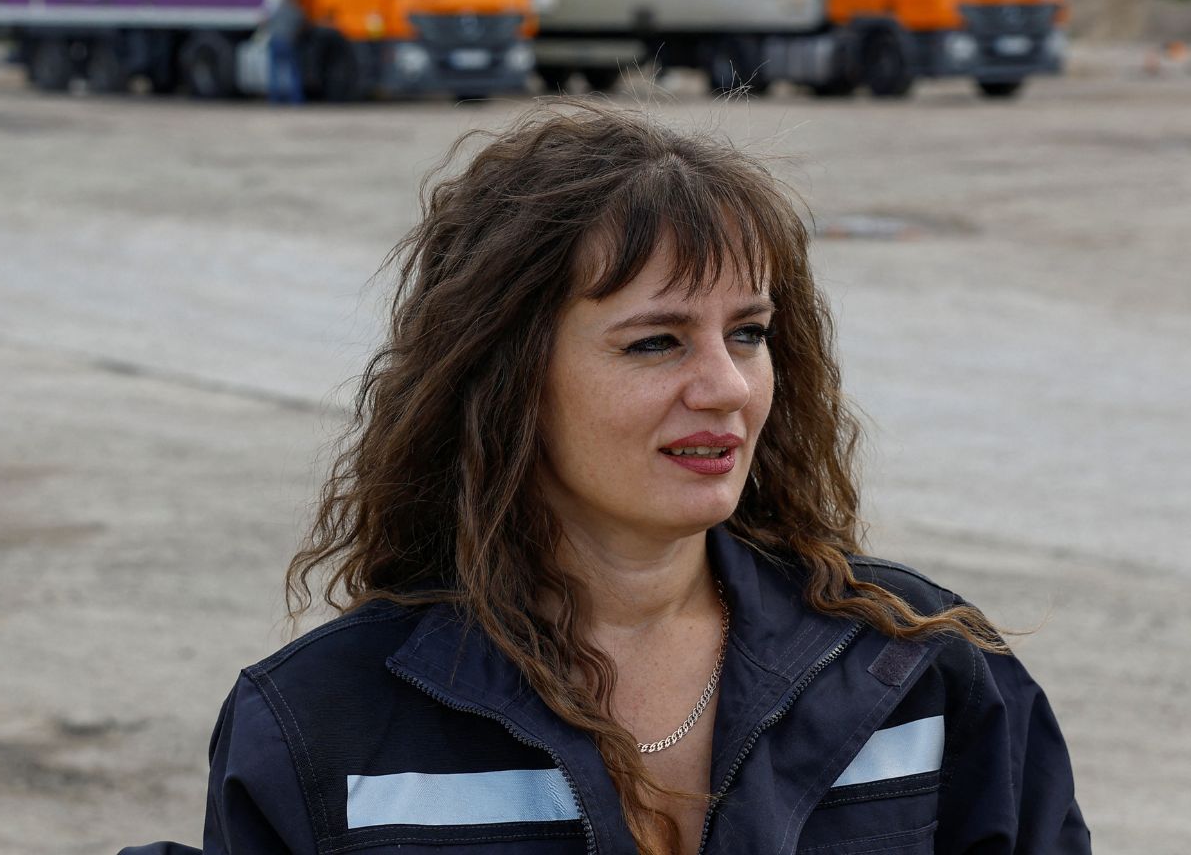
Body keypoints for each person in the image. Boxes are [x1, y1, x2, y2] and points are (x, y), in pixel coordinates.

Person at [123, 103, 1089, 855]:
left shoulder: (917, 673)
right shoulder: (327, 727)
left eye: (747, 334)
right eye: (656, 341)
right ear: (506, 379)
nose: (723, 387)